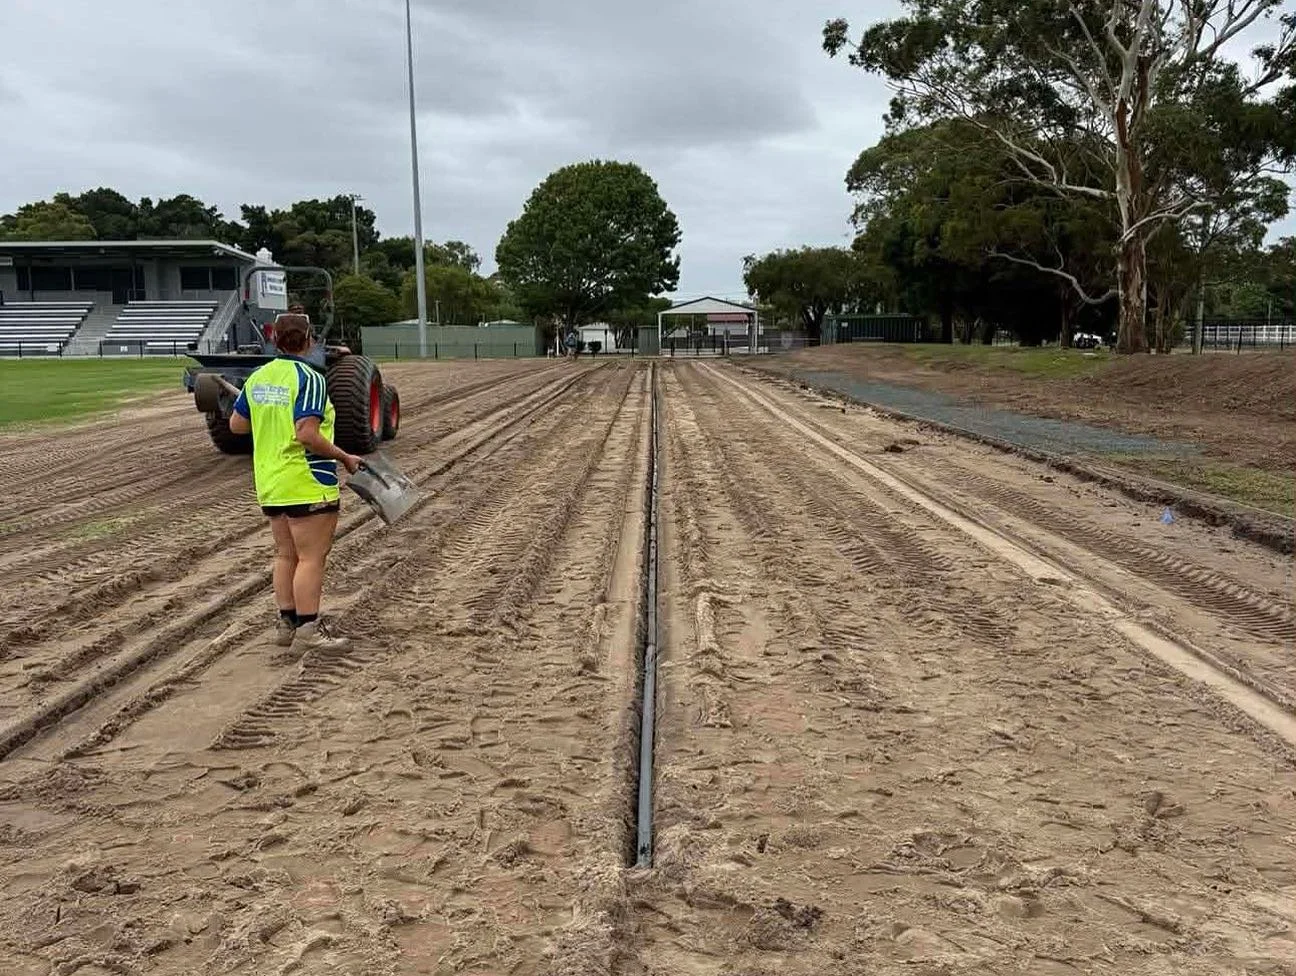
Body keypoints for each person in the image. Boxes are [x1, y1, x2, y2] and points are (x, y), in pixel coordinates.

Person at [228, 313, 363, 650]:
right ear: (309, 339)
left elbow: (236, 425)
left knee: (285, 554)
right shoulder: (311, 378)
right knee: (311, 557)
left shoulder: (259, 378)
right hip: (306, 480)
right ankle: (308, 631)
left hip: (271, 483)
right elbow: (307, 434)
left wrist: (268, 417)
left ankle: (286, 625)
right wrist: (345, 457)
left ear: (274, 339)